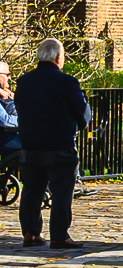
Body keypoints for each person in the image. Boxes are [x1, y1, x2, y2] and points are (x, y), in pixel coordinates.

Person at [15, 39, 90, 248]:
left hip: (30, 145)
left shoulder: (24, 81)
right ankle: (59, 235)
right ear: (59, 57)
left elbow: (20, 108)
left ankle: (30, 233)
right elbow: (82, 115)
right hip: (59, 145)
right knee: (62, 191)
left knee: (31, 190)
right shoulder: (67, 82)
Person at [0, 60, 19, 160]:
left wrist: (9, 100)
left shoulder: (3, 95)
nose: (9, 78)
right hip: (5, 140)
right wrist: (29, 122)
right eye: (7, 74)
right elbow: (5, 121)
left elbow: (14, 115)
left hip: (10, 137)